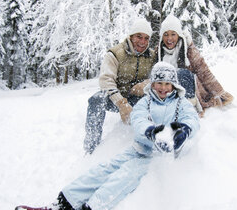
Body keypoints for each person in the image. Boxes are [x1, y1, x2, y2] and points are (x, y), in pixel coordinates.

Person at [15, 62, 200, 210]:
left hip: (155, 156)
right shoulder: (145, 101)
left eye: (167, 83)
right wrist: (151, 131)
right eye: (159, 83)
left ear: (174, 85)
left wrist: (184, 130)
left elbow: (191, 118)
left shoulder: (180, 103)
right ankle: (63, 202)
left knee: (123, 177)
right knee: (104, 169)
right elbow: (138, 119)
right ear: (152, 84)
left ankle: (92, 207)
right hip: (138, 148)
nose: (163, 87)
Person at [83, 18, 156, 154]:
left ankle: (146, 143)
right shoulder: (115, 53)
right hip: (115, 98)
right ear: (131, 36)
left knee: (154, 102)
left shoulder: (151, 56)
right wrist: (121, 103)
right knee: (96, 100)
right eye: (139, 37)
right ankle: (91, 148)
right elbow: (106, 80)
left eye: (146, 38)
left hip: (136, 98)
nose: (142, 42)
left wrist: (146, 84)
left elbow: (158, 77)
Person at [157, 15, 234, 116]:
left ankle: (190, 106)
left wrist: (219, 92)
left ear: (179, 35)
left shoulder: (188, 48)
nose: (169, 38)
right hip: (167, 89)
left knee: (181, 73)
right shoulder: (158, 51)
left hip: (189, 87)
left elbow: (203, 71)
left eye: (173, 34)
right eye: (166, 34)